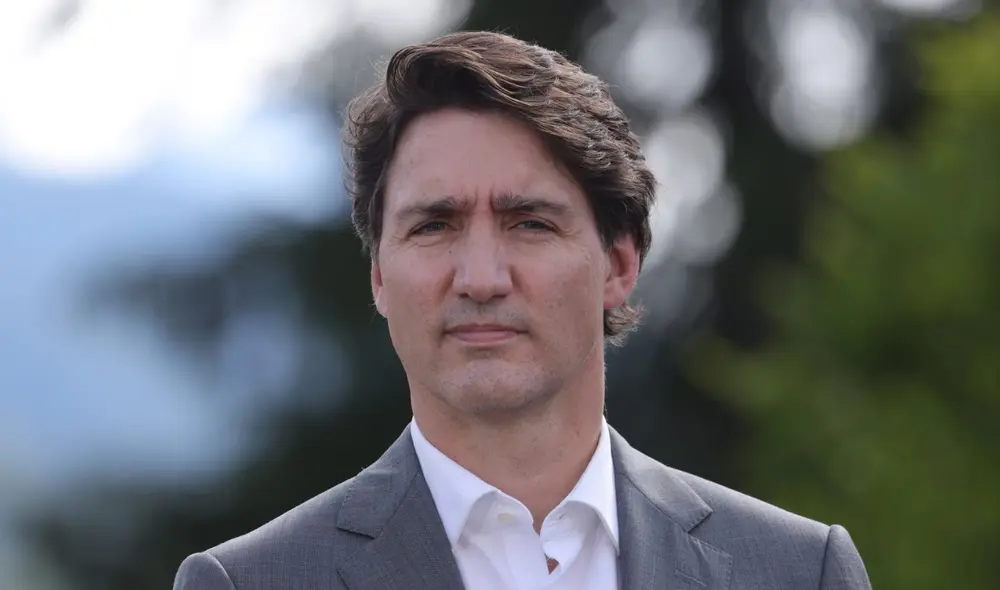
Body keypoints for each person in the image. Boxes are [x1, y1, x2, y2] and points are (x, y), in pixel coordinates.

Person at [173, 31, 871, 590]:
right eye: (434, 225)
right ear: (381, 275)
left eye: (529, 223)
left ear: (619, 265)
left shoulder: (796, 572)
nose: (480, 278)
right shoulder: (249, 582)